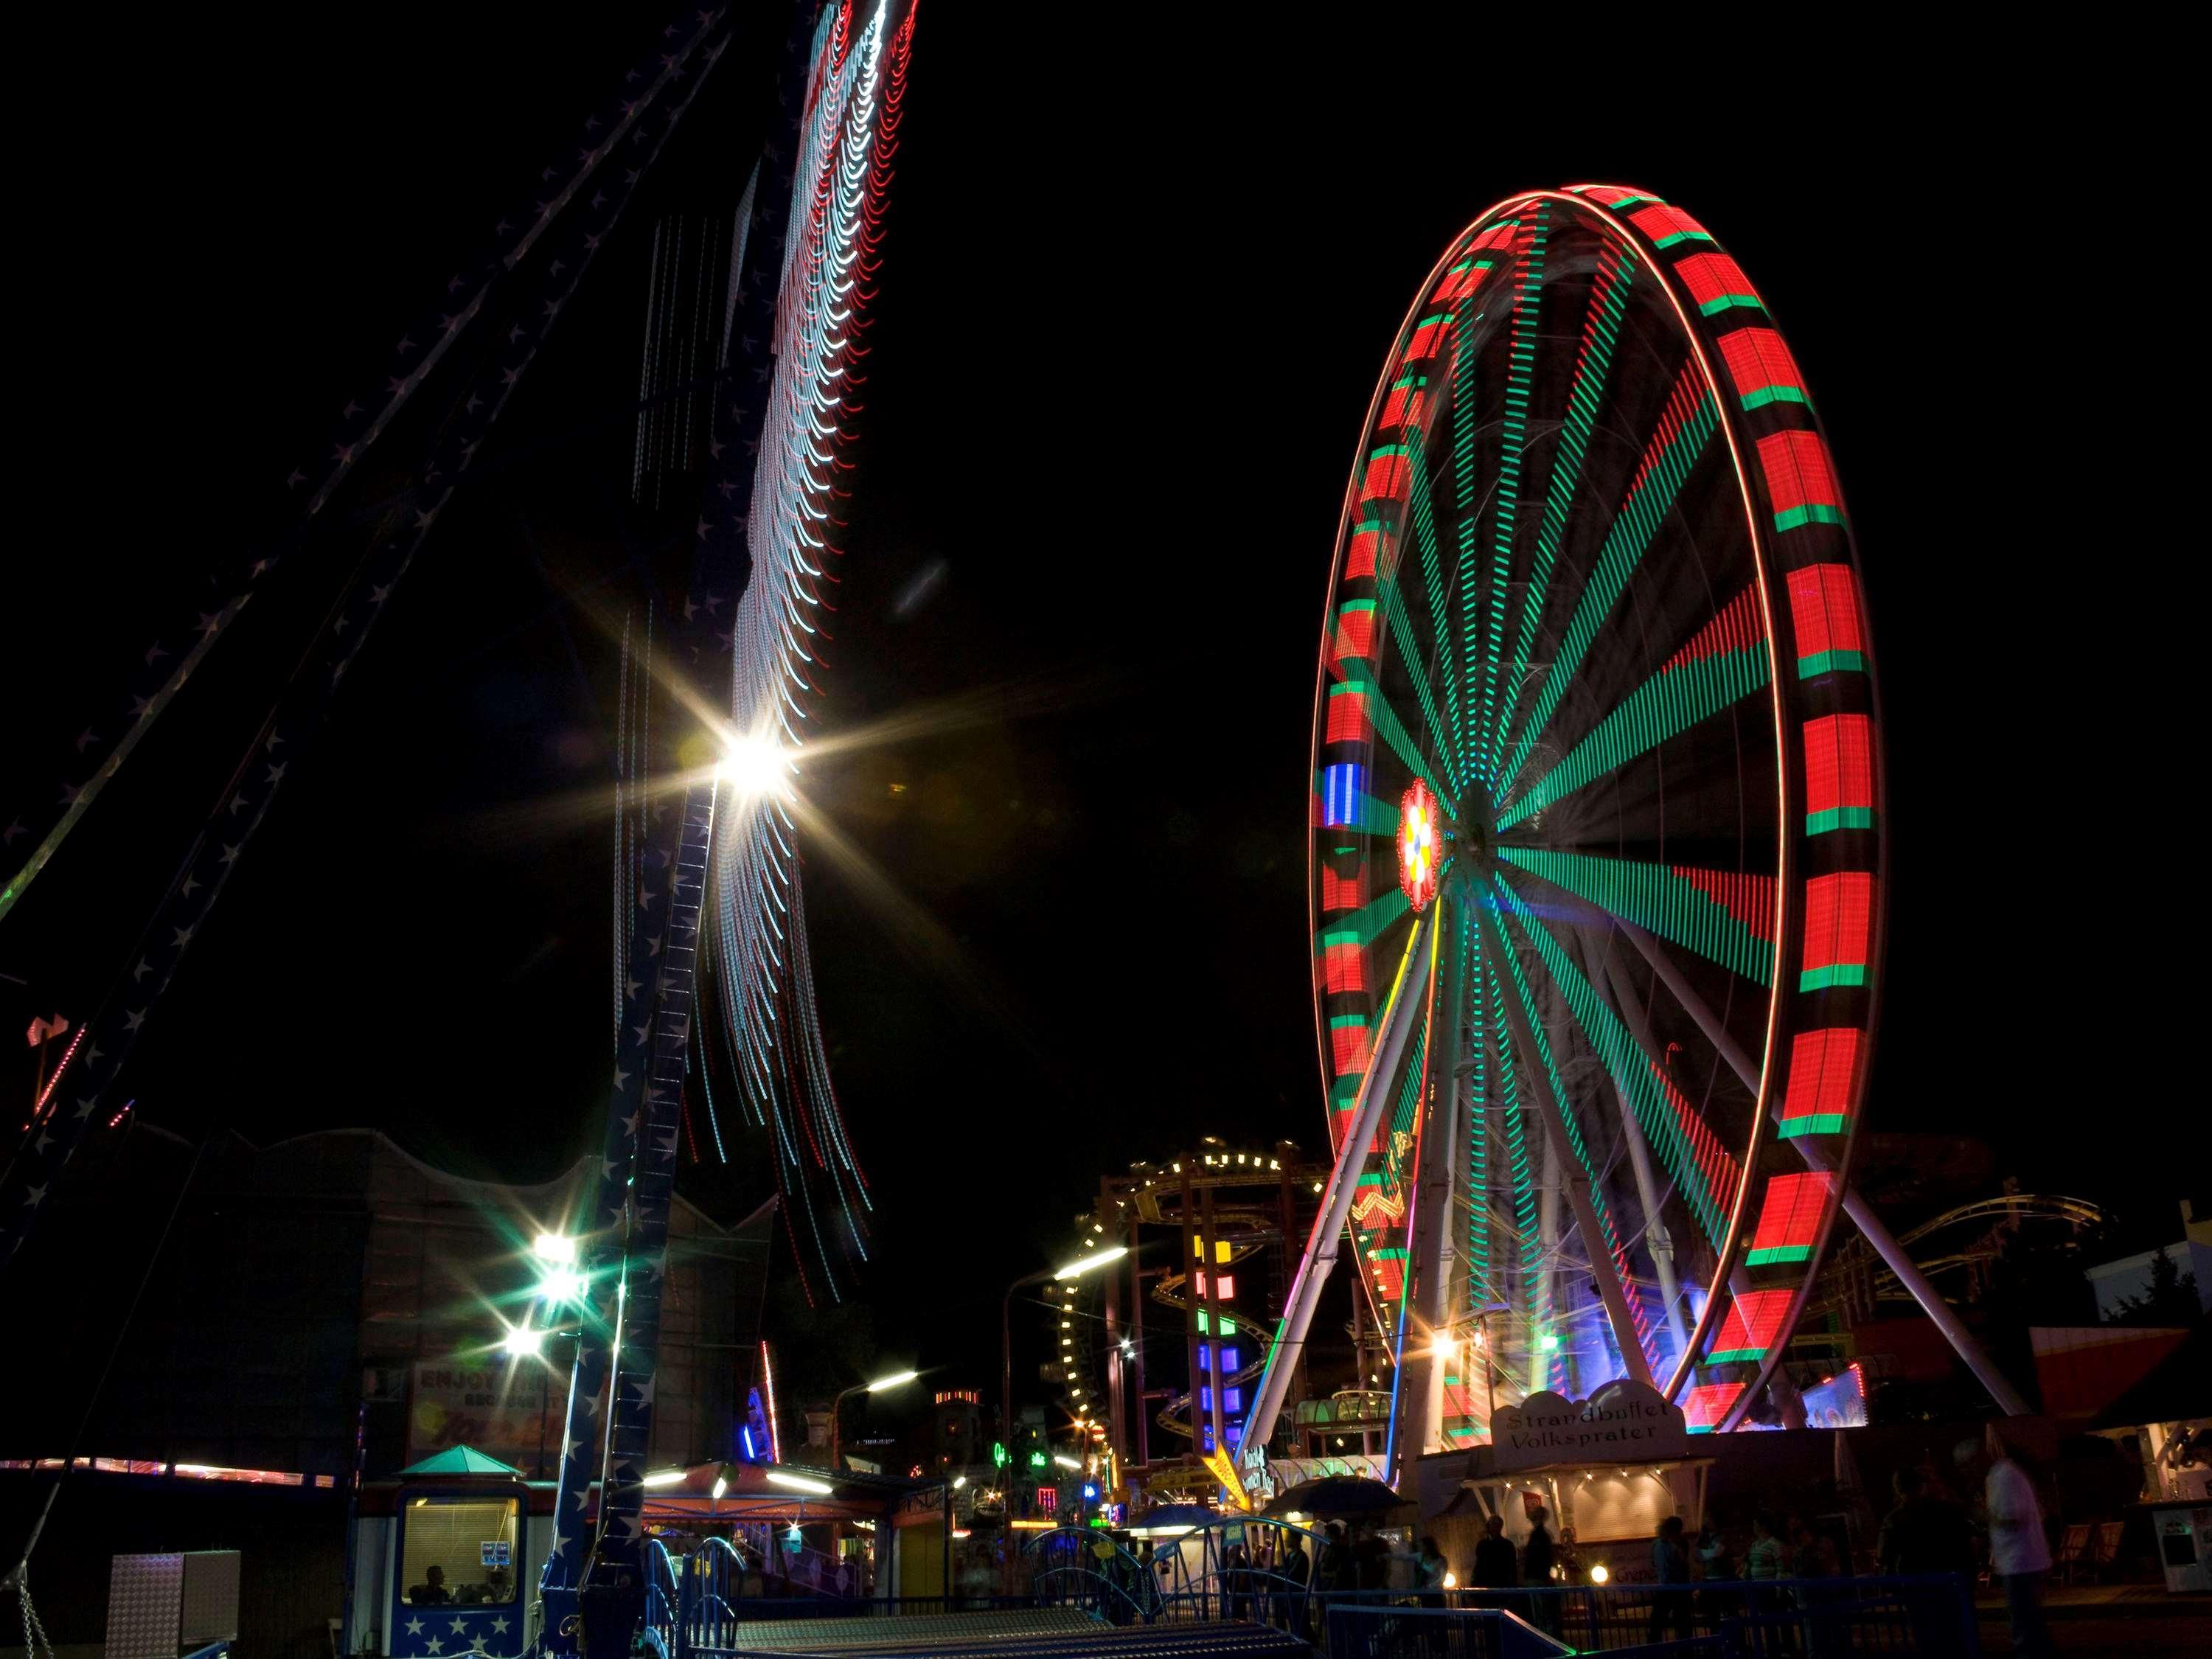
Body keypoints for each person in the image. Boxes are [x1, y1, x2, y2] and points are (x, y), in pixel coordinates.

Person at [1961, 1432, 2052, 1659]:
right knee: (2031, 1624)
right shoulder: (2002, 1475)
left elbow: (2012, 1520)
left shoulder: (2003, 1477)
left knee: (2025, 1625)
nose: (1965, 1472)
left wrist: (1982, 1515)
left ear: (1978, 1459)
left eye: (1965, 1465)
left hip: (2020, 1564)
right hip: (2022, 1562)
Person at [1877, 1466, 1975, 1578]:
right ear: (1920, 1485)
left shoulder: (1892, 1521)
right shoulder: (1946, 1511)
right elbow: (1964, 1544)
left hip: (1912, 1586)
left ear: (1897, 1489)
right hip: (1947, 1582)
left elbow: (1883, 1557)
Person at [1649, 1517, 1693, 1643]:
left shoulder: (1663, 1545)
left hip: (1668, 1587)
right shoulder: (1679, 1543)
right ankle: (1685, 1648)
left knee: (1657, 1622)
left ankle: (1654, 1649)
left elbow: (1659, 1565)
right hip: (1680, 1587)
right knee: (1683, 1623)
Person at [1523, 1508, 1559, 1635]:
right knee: (1542, 1609)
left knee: (1540, 1610)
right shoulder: (1543, 1535)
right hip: (1540, 1577)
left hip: (1537, 1577)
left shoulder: (1539, 1535)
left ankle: (1545, 1636)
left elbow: (1540, 1558)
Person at [1472, 1515, 1518, 1595]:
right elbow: (1479, 1565)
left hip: (1500, 1585)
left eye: (1495, 1524)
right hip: (1487, 1585)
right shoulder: (1482, 1544)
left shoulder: (1507, 1545)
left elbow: (1512, 1568)